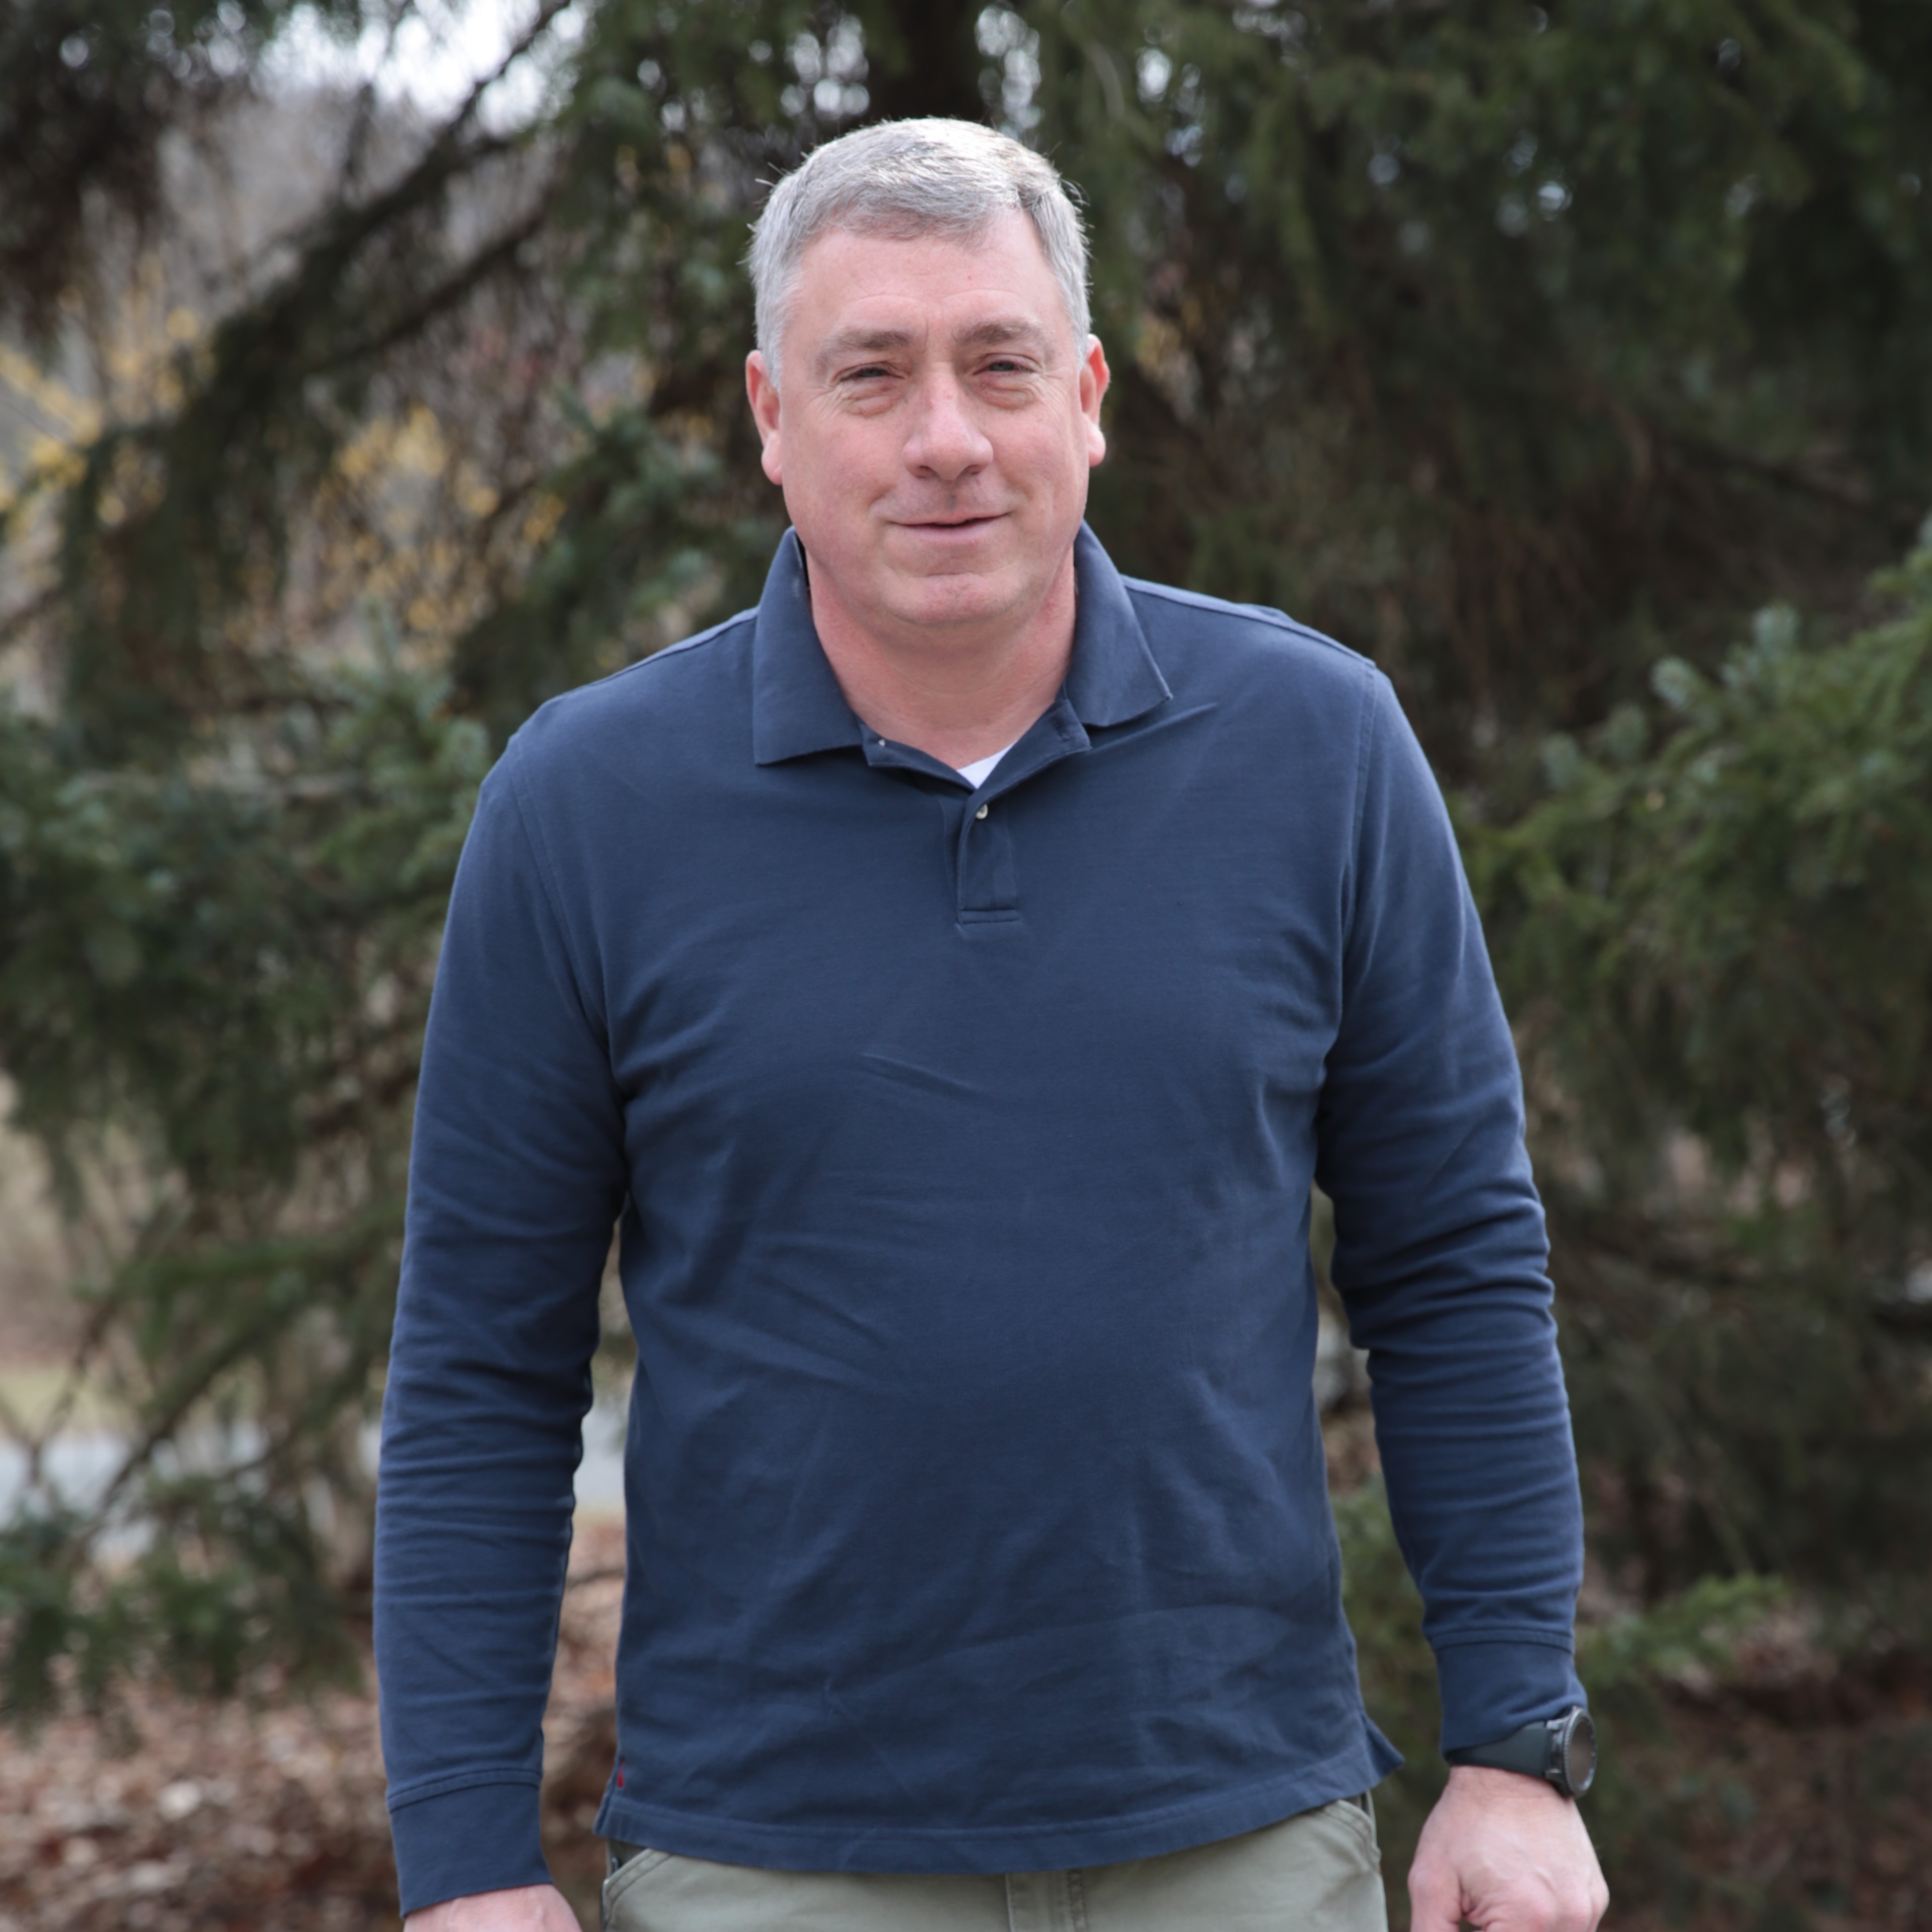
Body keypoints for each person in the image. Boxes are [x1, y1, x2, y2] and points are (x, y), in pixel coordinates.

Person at [375, 117, 1609, 1932]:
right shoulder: (586, 804)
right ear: (771, 417)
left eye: (998, 363)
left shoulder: (1316, 748)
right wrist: (467, 1861)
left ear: (1088, 393)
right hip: (765, 1858)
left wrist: (1514, 1749)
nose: (943, 436)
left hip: (1239, 1839)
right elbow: (484, 1360)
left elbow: (1453, 1267)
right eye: (868, 374)